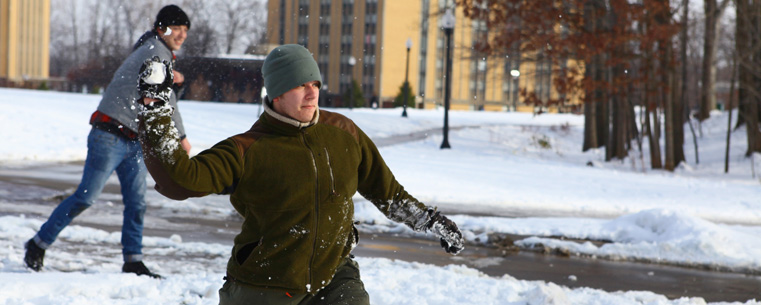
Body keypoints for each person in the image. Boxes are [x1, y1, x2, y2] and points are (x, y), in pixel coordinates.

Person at [137, 44, 464, 304]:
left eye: (314, 84)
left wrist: (430, 221)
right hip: (267, 281)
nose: (311, 93)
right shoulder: (247, 149)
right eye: (299, 86)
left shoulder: (343, 133)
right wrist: (155, 111)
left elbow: (387, 192)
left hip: (335, 276)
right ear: (276, 94)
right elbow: (180, 180)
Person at [23, 4, 193, 279]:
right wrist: (182, 137)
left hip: (134, 140)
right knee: (86, 197)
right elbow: (165, 101)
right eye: (177, 29)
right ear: (161, 28)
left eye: (186, 31)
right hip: (110, 134)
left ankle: (133, 261)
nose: (182, 35)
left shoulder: (155, 51)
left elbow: (157, 96)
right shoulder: (156, 53)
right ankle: (37, 244)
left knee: (137, 202)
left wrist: (175, 83)